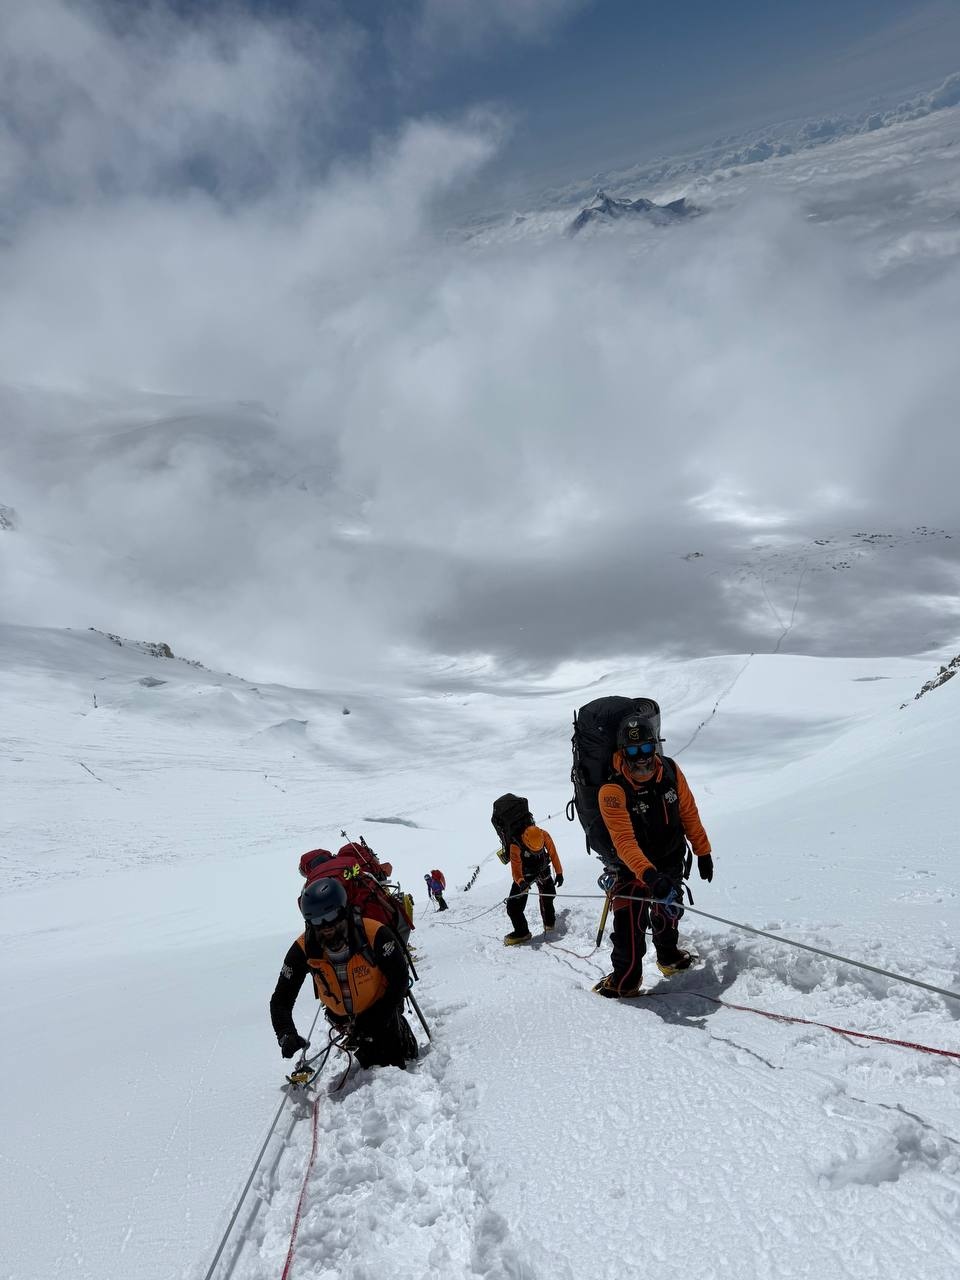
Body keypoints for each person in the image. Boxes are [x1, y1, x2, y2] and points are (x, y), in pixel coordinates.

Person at [593, 712, 713, 997]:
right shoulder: (611, 790)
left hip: (669, 858)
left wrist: (703, 850)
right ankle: (625, 980)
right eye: (633, 751)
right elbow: (624, 841)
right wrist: (649, 875)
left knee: (668, 914)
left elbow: (688, 812)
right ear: (623, 752)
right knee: (629, 927)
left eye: (646, 748)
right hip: (630, 869)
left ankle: (669, 957)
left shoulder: (670, 770)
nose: (641, 757)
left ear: (655, 746)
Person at [270, 878, 418, 1069]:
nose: (326, 926)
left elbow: (400, 978)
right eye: (317, 921)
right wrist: (285, 1034)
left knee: (391, 1062)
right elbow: (281, 999)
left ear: (344, 911)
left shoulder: (374, 934)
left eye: (331, 916)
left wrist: (378, 1016)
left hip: (380, 1008)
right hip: (340, 1017)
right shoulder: (303, 948)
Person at [503, 816, 564, 945]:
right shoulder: (515, 845)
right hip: (524, 875)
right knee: (513, 907)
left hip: (542, 868)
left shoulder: (543, 834)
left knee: (548, 896)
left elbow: (553, 852)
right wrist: (521, 882)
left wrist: (559, 872)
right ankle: (522, 932)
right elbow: (516, 869)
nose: (536, 852)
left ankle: (549, 924)